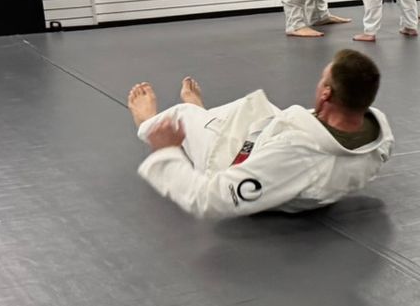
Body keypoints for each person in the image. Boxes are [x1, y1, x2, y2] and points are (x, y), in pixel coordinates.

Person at [126, 49, 393, 219]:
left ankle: (149, 120)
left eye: (323, 80)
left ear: (326, 94)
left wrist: (166, 151)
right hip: (272, 141)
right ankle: (204, 118)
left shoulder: (296, 153)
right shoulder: (379, 136)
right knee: (251, 108)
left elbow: (208, 199)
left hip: (251, 167)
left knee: (182, 114)